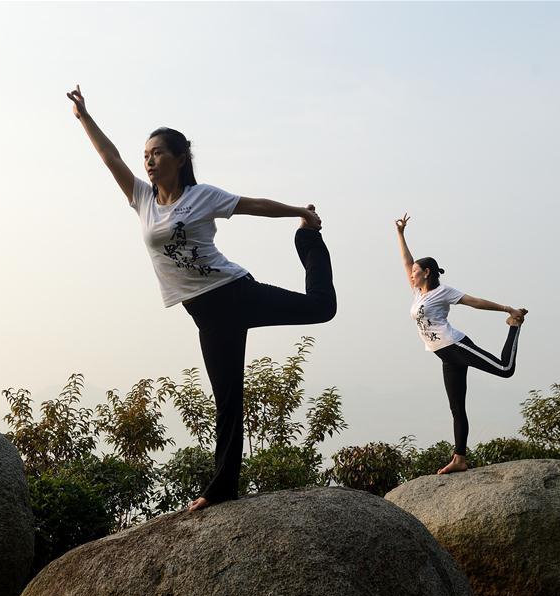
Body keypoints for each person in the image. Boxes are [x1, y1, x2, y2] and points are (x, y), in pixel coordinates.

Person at [67, 85, 336, 511]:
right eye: (146, 155)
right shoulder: (143, 199)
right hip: (206, 315)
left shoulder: (201, 196)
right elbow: (110, 158)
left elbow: (254, 205)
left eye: (157, 153)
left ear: (179, 157)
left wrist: (300, 214)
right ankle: (222, 487)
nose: (149, 161)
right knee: (227, 398)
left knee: (322, 308)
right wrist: (84, 118)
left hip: (234, 293)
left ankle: (309, 244)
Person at [394, 213, 527, 475]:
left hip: (456, 346)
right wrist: (401, 234)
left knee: (504, 369)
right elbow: (407, 261)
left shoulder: (443, 292)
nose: (411, 274)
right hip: (445, 356)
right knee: (457, 408)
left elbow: (474, 302)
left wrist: (507, 309)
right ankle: (460, 458)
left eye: (415, 272)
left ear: (427, 273)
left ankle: (515, 327)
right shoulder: (417, 292)